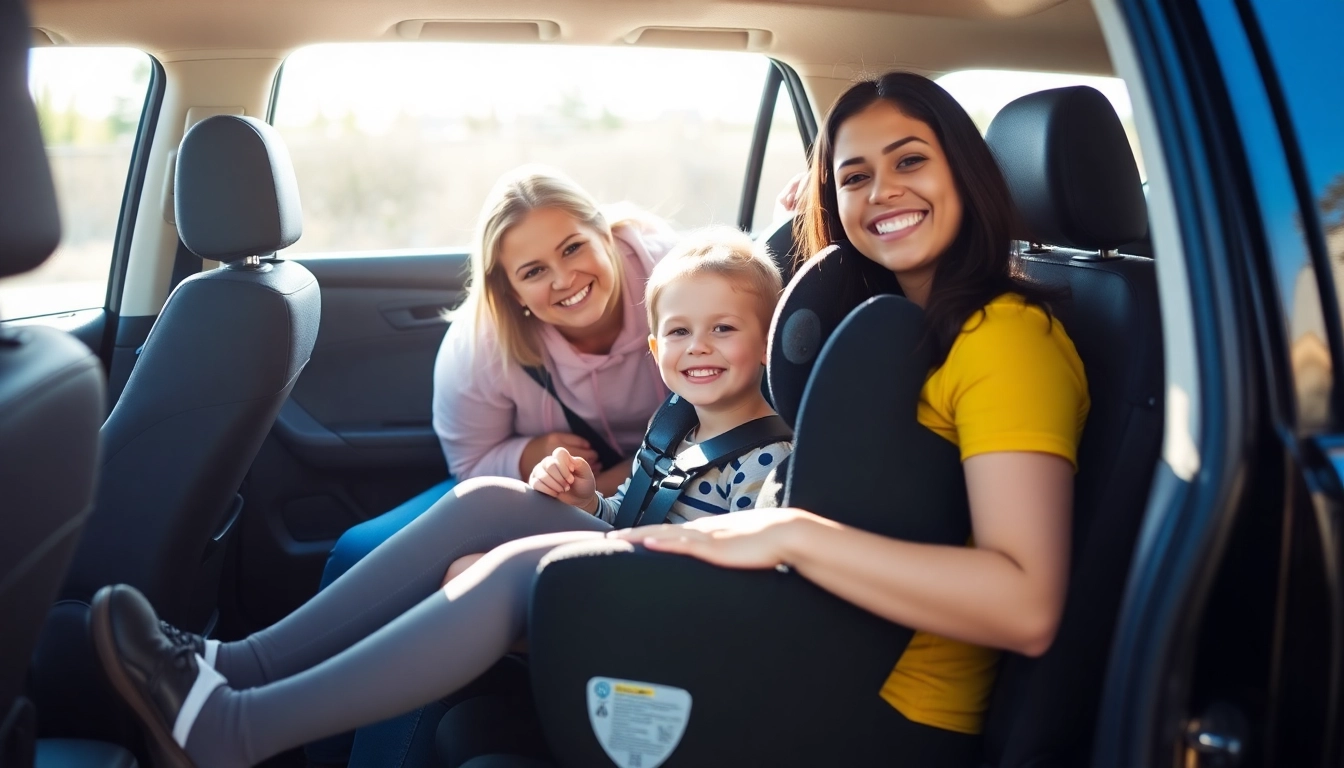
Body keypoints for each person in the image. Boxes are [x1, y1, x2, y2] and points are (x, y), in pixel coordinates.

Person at [91, 228, 791, 768]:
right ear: (654, 343)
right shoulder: (677, 421)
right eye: (678, 331)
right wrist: (587, 506)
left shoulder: (769, 458)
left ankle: (236, 729)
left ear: (767, 343)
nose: (699, 346)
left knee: (525, 565)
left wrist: (596, 546)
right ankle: (235, 666)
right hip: (639, 576)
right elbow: (636, 515)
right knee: (490, 497)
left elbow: (747, 578)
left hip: (688, 626)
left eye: (724, 329)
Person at [606, 71, 1090, 762]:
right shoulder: (892, 324)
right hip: (816, 637)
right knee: (511, 576)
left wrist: (790, 535)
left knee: (523, 591)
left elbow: (1027, 608)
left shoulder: (1005, 339)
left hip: (886, 706)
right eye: (853, 176)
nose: (881, 190)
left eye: (911, 160)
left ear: (967, 170)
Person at [310, 167, 676, 764]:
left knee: (454, 580)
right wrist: (528, 455)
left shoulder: (675, 276)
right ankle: (319, 749)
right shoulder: (485, 339)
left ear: (605, 232)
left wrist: (614, 480)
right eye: (533, 271)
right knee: (361, 550)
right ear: (508, 289)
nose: (564, 279)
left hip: (662, 482)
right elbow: (469, 461)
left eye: (573, 247)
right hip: (544, 482)